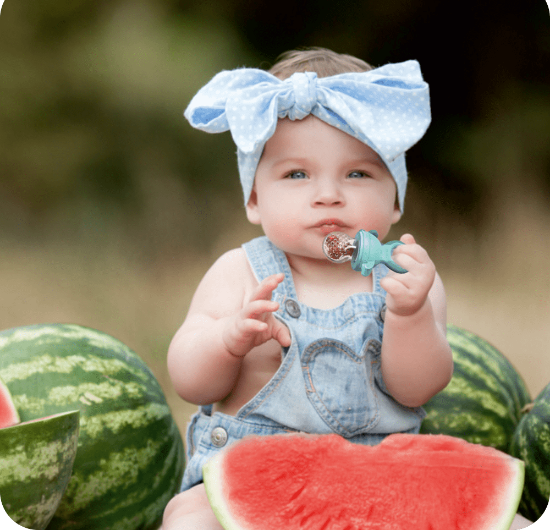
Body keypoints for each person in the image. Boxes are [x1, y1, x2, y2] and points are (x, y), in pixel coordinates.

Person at [162, 48, 528, 530]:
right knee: (190, 519)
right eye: (297, 174)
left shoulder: (405, 277)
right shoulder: (240, 272)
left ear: (395, 200)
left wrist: (410, 315)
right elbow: (190, 382)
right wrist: (227, 340)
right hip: (256, 478)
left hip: (384, 483)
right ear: (254, 198)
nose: (328, 194)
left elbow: (419, 387)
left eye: (357, 173)